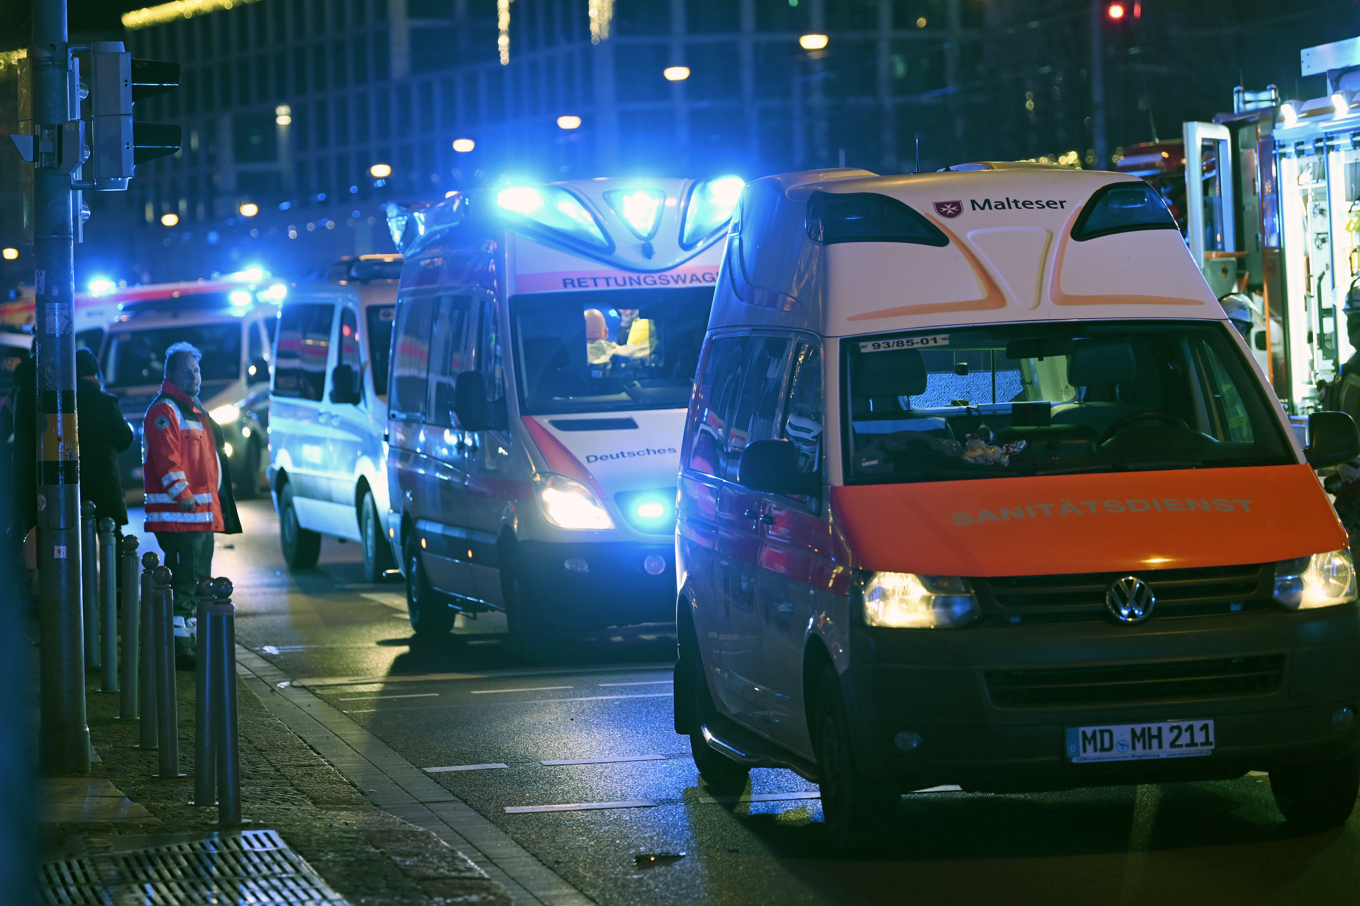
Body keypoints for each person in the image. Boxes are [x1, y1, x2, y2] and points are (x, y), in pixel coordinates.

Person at [143, 342, 241, 667]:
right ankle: (180, 650)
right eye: (186, 371)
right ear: (170, 374)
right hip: (181, 516)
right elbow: (166, 460)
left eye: (196, 370)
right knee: (185, 582)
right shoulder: (165, 410)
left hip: (197, 516)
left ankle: (190, 641)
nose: (194, 376)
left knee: (198, 580)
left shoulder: (193, 408)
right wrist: (184, 496)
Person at [75, 348, 134, 529]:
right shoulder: (106, 402)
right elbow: (125, 437)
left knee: (78, 540)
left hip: (75, 482)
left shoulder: (65, 402)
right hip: (104, 478)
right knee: (112, 535)